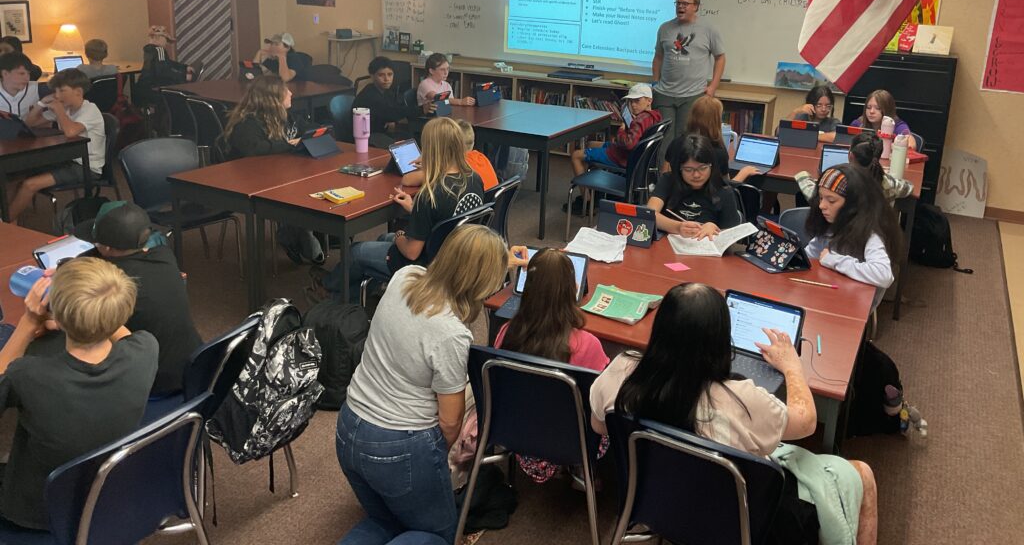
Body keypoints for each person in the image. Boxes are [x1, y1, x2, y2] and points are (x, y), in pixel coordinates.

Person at [589, 283, 878, 545]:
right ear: (720, 342)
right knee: (862, 473)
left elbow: (600, 427)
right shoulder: (742, 401)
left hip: (655, 502)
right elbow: (807, 422)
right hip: (734, 522)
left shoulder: (620, 370)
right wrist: (792, 366)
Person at [335, 225, 517, 545]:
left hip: (349, 427)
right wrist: (428, 465)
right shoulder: (451, 334)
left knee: (384, 520)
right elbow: (449, 423)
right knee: (437, 535)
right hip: (397, 446)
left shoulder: (406, 278)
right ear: (481, 284)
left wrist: (499, 258)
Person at [0, 258, 158, 531]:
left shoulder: (28, 375)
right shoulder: (146, 348)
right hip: (111, 490)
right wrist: (88, 305)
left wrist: (29, 322)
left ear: (57, 318)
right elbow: (120, 330)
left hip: (38, 511)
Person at [314, 116, 485, 301]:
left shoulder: (430, 194)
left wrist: (399, 236)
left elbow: (411, 252)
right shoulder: (474, 179)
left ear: (431, 150)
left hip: (428, 265)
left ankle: (328, 291)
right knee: (382, 238)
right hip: (459, 258)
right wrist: (415, 210)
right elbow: (448, 217)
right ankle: (359, 296)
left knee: (356, 252)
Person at [495, 248, 609, 483]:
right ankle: (583, 469)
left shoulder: (506, 333)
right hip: (572, 441)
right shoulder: (588, 344)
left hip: (516, 432)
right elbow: (601, 397)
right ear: (574, 290)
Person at [89, 202, 202, 395]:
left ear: (106, 248)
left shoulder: (110, 284)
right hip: (197, 367)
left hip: (152, 382)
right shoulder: (164, 256)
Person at [221, 74, 323, 265]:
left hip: (280, 175)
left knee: (313, 187)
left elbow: (310, 129)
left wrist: (315, 133)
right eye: (286, 91)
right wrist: (291, 144)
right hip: (251, 183)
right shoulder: (247, 123)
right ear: (272, 98)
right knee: (298, 193)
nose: (291, 93)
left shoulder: (286, 117)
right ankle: (299, 232)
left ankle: (300, 231)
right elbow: (256, 149)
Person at [7, 68, 106, 222]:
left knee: (29, 184)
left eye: (62, 90)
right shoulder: (66, 108)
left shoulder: (90, 110)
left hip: (87, 166)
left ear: (78, 92)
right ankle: (11, 220)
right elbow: (29, 123)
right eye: (56, 91)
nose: (57, 95)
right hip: (67, 159)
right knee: (16, 176)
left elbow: (70, 131)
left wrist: (59, 110)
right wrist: (40, 104)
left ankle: (4, 225)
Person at [804, 165, 901, 311]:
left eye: (831, 201)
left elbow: (884, 275)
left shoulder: (871, 234)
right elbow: (811, 253)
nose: (821, 205)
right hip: (830, 293)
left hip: (854, 304)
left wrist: (834, 260)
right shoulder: (833, 221)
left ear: (853, 205)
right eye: (821, 197)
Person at [651, 0, 726, 164]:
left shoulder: (709, 29)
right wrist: (655, 82)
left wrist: (713, 87)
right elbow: (658, 57)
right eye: (678, 3)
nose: (680, 7)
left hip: (692, 95)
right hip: (665, 94)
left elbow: (720, 57)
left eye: (685, 3)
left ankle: (680, 182)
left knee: (685, 141)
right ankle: (661, 183)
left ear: (696, 6)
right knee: (663, 141)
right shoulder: (665, 28)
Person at [565, 83, 663, 214]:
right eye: (631, 101)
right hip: (627, 153)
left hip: (622, 156)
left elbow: (629, 143)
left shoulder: (640, 120)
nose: (633, 105)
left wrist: (622, 131)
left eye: (637, 100)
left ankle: (587, 202)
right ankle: (595, 189)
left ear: (649, 100)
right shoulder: (654, 116)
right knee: (591, 144)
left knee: (576, 155)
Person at [647, 133, 742, 239]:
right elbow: (650, 213)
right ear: (679, 168)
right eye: (688, 170)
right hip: (668, 246)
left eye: (702, 168)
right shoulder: (668, 180)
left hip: (705, 250)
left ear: (711, 166)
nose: (696, 175)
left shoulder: (724, 191)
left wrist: (715, 229)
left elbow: (733, 235)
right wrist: (678, 227)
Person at [795, 133, 913, 204]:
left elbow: (813, 195)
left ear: (850, 155)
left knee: (800, 196)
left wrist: (803, 175)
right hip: (875, 238)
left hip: (844, 238)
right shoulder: (888, 183)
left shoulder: (840, 183)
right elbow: (909, 188)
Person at [662, 94, 757, 183]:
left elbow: (665, 173)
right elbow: (726, 187)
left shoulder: (675, 143)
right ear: (716, 121)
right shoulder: (718, 151)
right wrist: (744, 173)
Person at [352, 55, 433, 147]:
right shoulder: (370, 94)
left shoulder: (386, 91)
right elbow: (392, 113)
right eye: (381, 75)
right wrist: (421, 109)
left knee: (414, 140)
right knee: (405, 147)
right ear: (372, 76)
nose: (386, 79)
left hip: (380, 131)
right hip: (366, 136)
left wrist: (392, 120)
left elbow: (397, 108)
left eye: (390, 74)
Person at [401, 118, 498, 192]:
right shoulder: (481, 157)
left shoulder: (454, 167)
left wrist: (430, 162)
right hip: (484, 214)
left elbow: (407, 180)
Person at [850, 89, 917, 150]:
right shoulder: (858, 123)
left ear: (887, 110)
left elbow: (911, 145)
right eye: (868, 107)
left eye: (878, 108)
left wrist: (889, 147)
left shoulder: (897, 125)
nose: (871, 111)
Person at [0, 51, 45, 119]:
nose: (27, 78)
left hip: (32, 129)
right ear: (5, 73)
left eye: (28, 73)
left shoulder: (38, 89)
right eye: (21, 73)